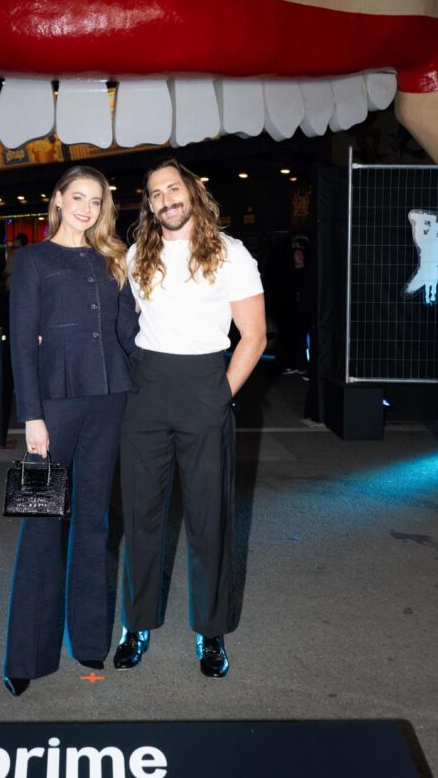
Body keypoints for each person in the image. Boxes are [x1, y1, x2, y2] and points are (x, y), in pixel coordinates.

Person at [113, 158, 266, 678]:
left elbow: (254, 337)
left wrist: (219, 395)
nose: (165, 200)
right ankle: (136, 624)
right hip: (147, 389)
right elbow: (130, 322)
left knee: (208, 518)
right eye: (155, 194)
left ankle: (211, 630)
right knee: (141, 514)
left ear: (193, 192)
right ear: (149, 204)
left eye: (172, 189)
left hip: (204, 385)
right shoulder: (138, 253)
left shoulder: (231, 253)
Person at [4, 165, 138, 696]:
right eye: (77, 197)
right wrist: (31, 416)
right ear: (58, 199)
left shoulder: (113, 258)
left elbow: (128, 330)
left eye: (96, 200)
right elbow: (21, 341)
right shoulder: (34, 259)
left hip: (110, 400)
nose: (86, 208)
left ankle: (88, 640)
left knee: (94, 521)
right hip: (53, 408)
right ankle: (26, 656)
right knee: (40, 521)